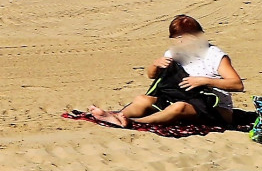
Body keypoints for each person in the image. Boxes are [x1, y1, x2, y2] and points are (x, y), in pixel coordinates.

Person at [82, 15, 244, 128]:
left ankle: (135, 122)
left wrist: (204, 81)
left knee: (178, 107)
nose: (179, 42)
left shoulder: (214, 55)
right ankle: (117, 116)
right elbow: (152, 76)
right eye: (176, 38)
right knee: (142, 99)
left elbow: (237, 84)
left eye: (182, 38)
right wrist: (155, 65)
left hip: (214, 109)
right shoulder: (174, 53)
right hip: (181, 96)